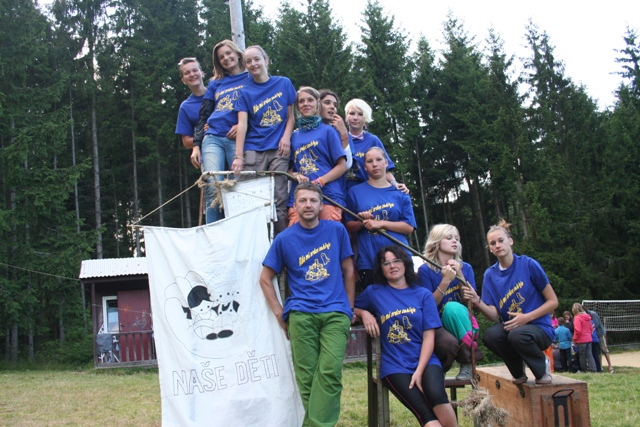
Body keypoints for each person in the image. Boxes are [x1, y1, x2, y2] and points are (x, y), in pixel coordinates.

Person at [260, 182, 355, 427]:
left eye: (313, 200)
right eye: (303, 200)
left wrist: (349, 308)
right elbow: (265, 278)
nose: (308, 205)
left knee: (330, 373)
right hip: (301, 313)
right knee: (308, 379)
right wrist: (279, 313)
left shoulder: (337, 230)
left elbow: (348, 270)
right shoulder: (284, 239)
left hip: (335, 311)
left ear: (321, 205)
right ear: (295, 205)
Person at [355, 245, 458, 427]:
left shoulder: (423, 294)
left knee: (436, 395)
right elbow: (351, 308)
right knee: (424, 412)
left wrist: (419, 371)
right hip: (395, 365)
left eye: (396, 261)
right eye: (386, 263)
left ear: (405, 263)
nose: (392, 266)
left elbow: (429, 337)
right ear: (381, 268)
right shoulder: (374, 292)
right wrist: (364, 313)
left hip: (425, 360)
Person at [463, 219, 558, 385]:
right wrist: (477, 300)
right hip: (513, 329)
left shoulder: (528, 264)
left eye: (501, 240)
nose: (497, 245)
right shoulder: (490, 275)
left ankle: (542, 367)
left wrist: (526, 317)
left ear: (510, 241)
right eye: (493, 243)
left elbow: (553, 301)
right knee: (491, 336)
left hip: (539, 328)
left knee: (517, 335)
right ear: (490, 248)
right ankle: (518, 371)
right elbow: (493, 315)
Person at [234, 45, 297, 234]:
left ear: (266, 61)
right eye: (248, 61)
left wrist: (286, 137)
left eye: (257, 59)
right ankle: (254, 243)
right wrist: (238, 156)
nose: (253, 64)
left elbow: (291, 117)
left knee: (279, 198)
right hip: (254, 149)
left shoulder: (283, 83)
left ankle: (281, 243)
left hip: (279, 149)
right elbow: (242, 125)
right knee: (251, 199)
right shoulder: (245, 92)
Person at [190, 40, 249, 223]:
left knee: (237, 185)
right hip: (213, 137)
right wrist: (196, 145)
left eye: (228, 53)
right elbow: (204, 114)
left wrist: (241, 126)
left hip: (236, 139)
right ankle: (214, 232)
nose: (226, 58)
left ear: (237, 53)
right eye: (221, 57)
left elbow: (260, 109)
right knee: (212, 185)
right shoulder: (215, 82)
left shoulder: (250, 77)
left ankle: (238, 229)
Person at [345, 147, 416, 289]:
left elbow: (409, 227)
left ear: (386, 163)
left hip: (400, 259)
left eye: (378, 160)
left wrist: (380, 223)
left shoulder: (400, 192)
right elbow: (349, 225)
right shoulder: (354, 192)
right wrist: (361, 222)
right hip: (369, 261)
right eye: (370, 161)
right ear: (365, 167)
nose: (375, 164)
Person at [417, 224, 481, 380]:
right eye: (449, 237)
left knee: (452, 308)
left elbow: (469, 302)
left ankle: (467, 362)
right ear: (437, 242)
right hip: (437, 322)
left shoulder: (466, 268)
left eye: (457, 239)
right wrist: (445, 281)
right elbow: (428, 306)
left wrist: (460, 275)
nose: (455, 241)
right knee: (447, 343)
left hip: (461, 320)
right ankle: (440, 369)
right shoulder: (426, 270)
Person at [288, 87, 348, 225]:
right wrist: (295, 175)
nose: (306, 104)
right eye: (301, 101)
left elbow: (342, 166)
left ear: (317, 104)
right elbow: (287, 168)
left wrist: (320, 182)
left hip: (328, 196)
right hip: (300, 197)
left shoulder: (328, 131)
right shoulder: (293, 136)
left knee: (329, 237)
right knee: (296, 236)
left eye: (310, 100)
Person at [343, 98, 408, 194]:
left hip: (367, 193)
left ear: (366, 119)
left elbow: (384, 168)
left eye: (360, 114)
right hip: (343, 192)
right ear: (346, 118)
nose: (355, 117)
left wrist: (394, 183)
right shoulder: (339, 139)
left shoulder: (373, 140)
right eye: (352, 113)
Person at [175, 57, 206, 149]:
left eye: (195, 70)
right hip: (207, 152)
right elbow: (186, 142)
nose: (192, 74)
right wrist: (206, 135)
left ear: (202, 73)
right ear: (183, 80)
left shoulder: (218, 94)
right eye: (187, 73)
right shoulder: (185, 107)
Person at [319, 89, 354, 170]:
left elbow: (348, 164)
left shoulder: (340, 132)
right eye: (327, 103)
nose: (332, 107)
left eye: (335, 105)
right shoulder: (304, 131)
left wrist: (343, 134)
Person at [587, 308, 614, 373]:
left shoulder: (593, 314)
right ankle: (600, 366)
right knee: (598, 351)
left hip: (600, 334)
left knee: (604, 349)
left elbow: (595, 325)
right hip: (594, 335)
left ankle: (610, 366)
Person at [572, 303, 596, 373]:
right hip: (589, 338)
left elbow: (578, 330)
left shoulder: (577, 318)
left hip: (581, 340)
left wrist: (575, 338)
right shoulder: (587, 317)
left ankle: (584, 369)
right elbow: (591, 328)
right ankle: (593, 369)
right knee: (590, 355)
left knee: (582, 356)